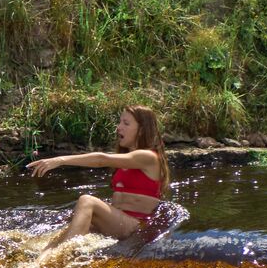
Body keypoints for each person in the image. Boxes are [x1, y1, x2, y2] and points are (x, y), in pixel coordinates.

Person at [27, 105, 172, 247]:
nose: (118, 127)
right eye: (120, 122)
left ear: (141, 130)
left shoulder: (149, 157)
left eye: (126, 123)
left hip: (136, 227)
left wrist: (60, 160)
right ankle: (39, 263)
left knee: (87, 201)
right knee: (60, 236)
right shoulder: (126, 159)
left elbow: (101, 160)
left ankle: (64, 254)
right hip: (116, 223)